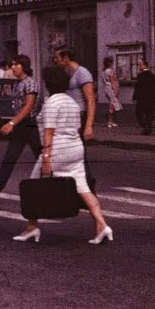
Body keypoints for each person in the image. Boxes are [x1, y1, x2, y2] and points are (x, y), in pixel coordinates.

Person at [13, 66, 111, 245]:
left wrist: (46, 158)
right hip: (75, 149)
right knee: (83, 188)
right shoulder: (71, 102)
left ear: (48, 83)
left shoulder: (51, 102)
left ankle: (32, 227)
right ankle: (101, 225)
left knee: (34, 185)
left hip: (57, 149)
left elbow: (49, 132)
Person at [0, 55, 41, 206]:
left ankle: (64, 188)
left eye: (15, 65)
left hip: (29, 125)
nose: (12, 68)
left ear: (23, 66)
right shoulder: (18, 84)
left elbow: (29, 106)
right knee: (10, 159)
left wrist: (12, 122)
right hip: (21, 126)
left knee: (43, 158)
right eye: (12, 65)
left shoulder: (30, 83)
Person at [53, 48, 97, 191]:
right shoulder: (65, 73)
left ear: (66, 58)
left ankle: (88, 187)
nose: (55, 61)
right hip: (68, 118)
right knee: (71, 152)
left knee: (79, 153)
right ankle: (80, 188)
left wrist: (88, 125)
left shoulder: (82, 73)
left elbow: (90, 100)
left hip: (80, 117)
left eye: (57, 58)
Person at [133, 59, 155, 136]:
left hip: (142, 98)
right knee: (149, 113)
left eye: (140, 65)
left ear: (145, 65)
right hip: (150, 98)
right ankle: (149, 128)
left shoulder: (140, 75)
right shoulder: (152, 75)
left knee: (139, 112)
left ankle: (145, 127)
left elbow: (137, 87)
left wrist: (135, 96)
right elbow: (154, 87)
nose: (139, 66)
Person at [99, 56, 121, 128]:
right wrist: (115, 90)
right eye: (112, 61)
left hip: (106, 89)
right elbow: (112, 81)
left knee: (112, 104)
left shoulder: (103, 71)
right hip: (111, 89)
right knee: (113, 104)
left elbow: (103, 81)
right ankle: (110, 121)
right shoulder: (110, 71)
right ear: (110, 62)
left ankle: (111, 121)